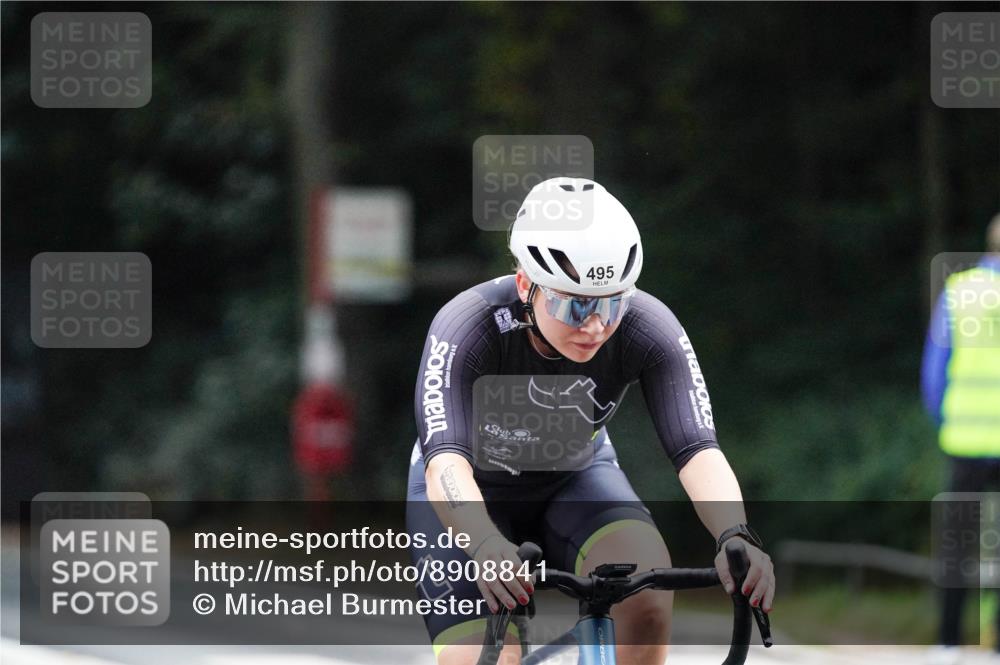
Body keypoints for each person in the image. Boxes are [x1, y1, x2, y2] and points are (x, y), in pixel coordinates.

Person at [406, 177, 775, 665]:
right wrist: (484, 542)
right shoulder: (467, 327)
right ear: (525, 286)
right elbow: (445, 467)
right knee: (482, 657)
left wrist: (735, 532)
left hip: (575, 479)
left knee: (647, 595)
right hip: (468, 494)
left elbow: (698, 450)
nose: (596, 325)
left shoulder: (648, 326)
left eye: (611, 303)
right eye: (574, 303)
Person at [922, 214, 1000, 665]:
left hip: (965, 437)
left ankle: (948, 642)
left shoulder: (961, 290)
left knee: (958, 543)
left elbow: (935, 368)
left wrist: (944, 419)